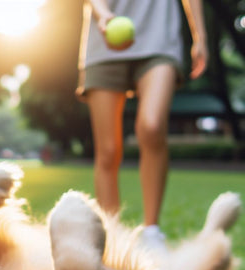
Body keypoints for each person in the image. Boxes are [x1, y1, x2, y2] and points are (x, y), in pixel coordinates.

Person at [76, 0, 208, 249]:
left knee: (152, 126)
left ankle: (151, 232)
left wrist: (199, 36)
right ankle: (112, 238)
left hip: (159, 39)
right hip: (103, 43)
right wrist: (104, 15)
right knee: (108, 150)